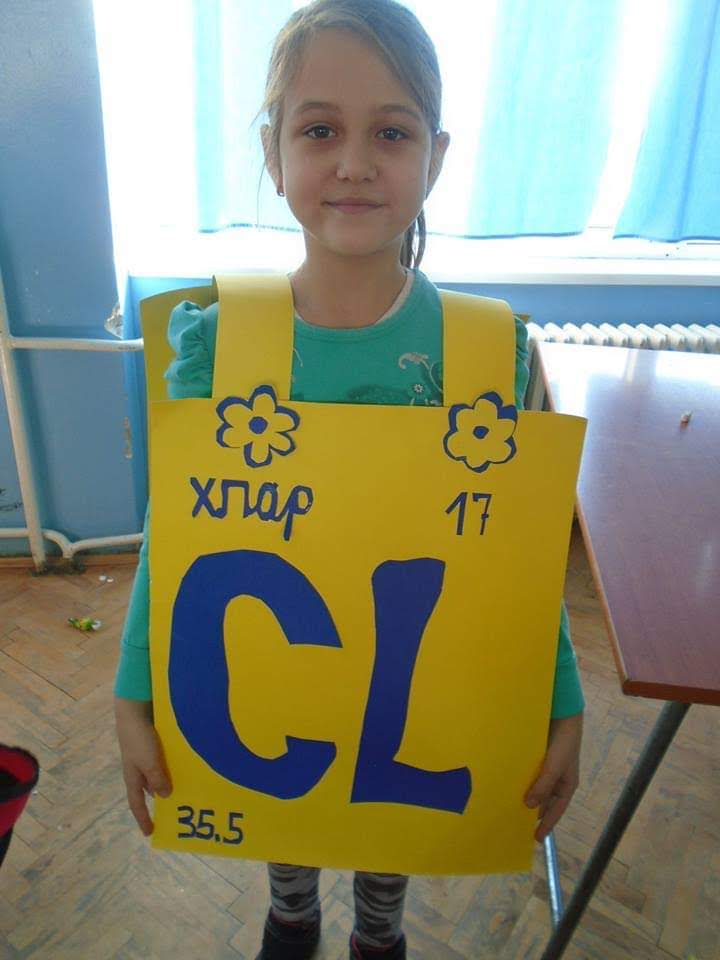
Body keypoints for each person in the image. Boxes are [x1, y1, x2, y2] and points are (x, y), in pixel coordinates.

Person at [114, 2, 585, 958]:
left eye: (393, 133)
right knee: (291, 780)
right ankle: (291, 914)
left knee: (390, 799)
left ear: (436, 157)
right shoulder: (221, 345)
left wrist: (561, 699)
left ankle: (380, 929)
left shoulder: (483, 352)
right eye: (321, 130)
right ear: (275, 150)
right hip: (274, 680)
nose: (356, 163)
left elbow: (515, 550)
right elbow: (182, 534)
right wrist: (133, 687)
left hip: (411, 691)